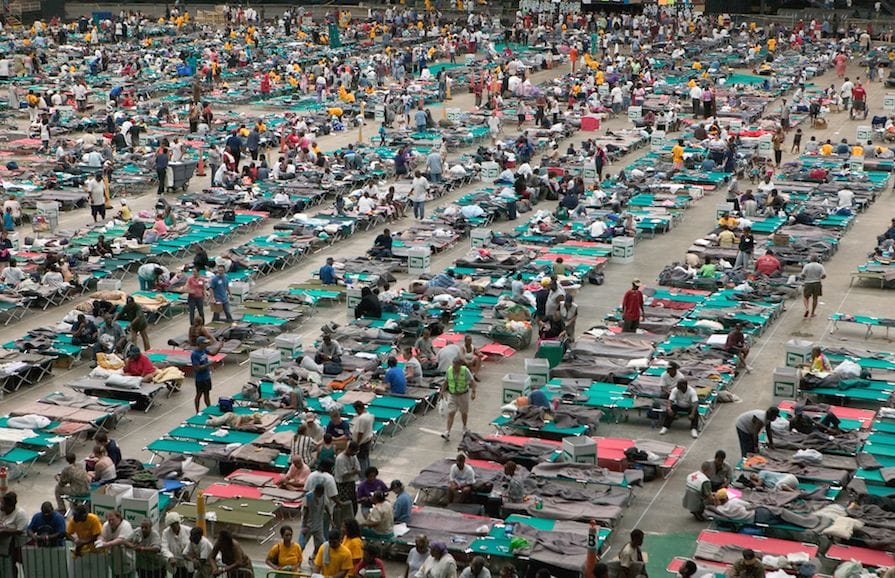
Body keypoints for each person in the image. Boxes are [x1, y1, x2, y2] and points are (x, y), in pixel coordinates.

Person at [441, 357, 476, 441]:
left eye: (456, 365)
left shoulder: (465, 371)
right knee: (451, 412)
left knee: (464, 412)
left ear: (460, 365)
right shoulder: (449, 370)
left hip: (463, 394)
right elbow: (446, 381)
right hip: (452, 394)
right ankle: (447, 431)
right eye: (453, 364)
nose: (454, 366)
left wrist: (473, 392)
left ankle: (464, 427)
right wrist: (442, 391)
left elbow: (472, 381)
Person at [100, 510, 135, 578]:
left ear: (119, 518)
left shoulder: (125, 525)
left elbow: (120, 540)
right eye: (109, 520)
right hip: (114, 560)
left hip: (126, 559)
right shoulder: (106, 525)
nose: (111, 522)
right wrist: (100, 541)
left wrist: (106, 544)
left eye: (113, 520)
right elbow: (103, 537)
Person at [334, 442, 361, 524]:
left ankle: (352, 519)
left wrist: (352, 472)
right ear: (349, 449)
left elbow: (358, 469)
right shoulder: (340, 459)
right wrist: (353, 471)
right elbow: (344, 474)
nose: (354, 454)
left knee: (353, 503)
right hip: (342, 485)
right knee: (344, 504)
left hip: (351, 483)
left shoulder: (353, 457)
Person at [161, 512, 192, 578]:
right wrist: (170, 557)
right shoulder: (166, 533)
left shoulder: (188, 530)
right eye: (172, 525)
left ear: (179, 522)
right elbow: (164, 547)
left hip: (188, 564)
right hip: (175, 565)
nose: (175, 526)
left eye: (176, 524)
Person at [191, 336, 213, 412]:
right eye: (204, 343)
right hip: (200, 379)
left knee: (207, 394)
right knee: (199, 395)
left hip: (207, 377)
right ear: (200, 344)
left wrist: (220, 346)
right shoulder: (195, 354)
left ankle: (209, 409)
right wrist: (209, 364)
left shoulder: (204, 350)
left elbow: (213, 353)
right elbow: (197, 368)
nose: (206, 344)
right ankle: (197, 411)